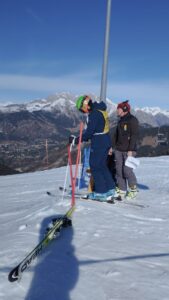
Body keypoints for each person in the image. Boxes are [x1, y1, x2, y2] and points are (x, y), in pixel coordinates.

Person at [69, 95, 115, 201]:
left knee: (95, 166)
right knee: (102, 166)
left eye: (81, 108)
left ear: (85, 106)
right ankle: (110, 189)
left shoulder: (94, 114)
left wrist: (75, 140)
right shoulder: (100, 110)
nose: (82, 111)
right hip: (105, 140)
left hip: (99, 142)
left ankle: (101, 192)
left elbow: (89, 133)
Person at [112, 100, 139, 200]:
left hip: (129, 150)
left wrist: (131, 149)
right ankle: (122, 190)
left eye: (118, 109)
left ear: (124, 109)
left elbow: (134, 135)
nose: (116, 110)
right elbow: (116, 135)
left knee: (126, 170)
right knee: (119, 170)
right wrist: (112, 147)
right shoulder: (120, 120)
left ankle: (133, 189)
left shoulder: (132, 120)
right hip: (119, 150)